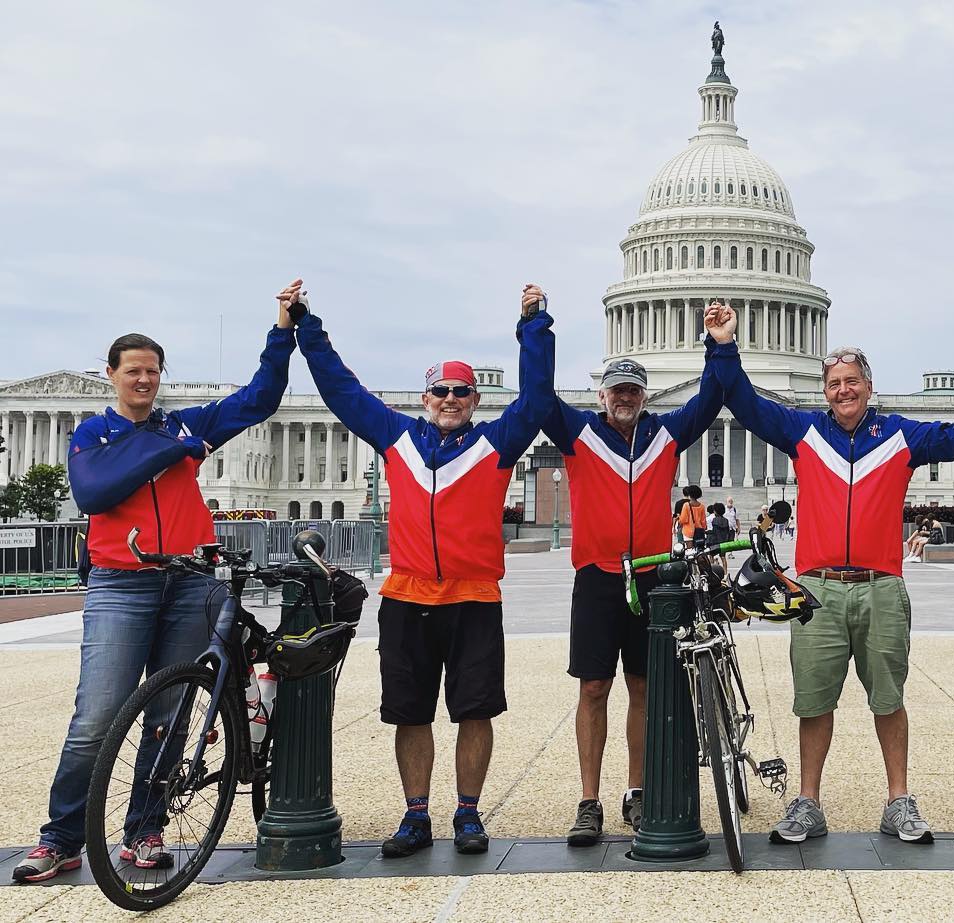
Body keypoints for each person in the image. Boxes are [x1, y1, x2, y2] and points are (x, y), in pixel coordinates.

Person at [706, 299, 954, 844]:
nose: (842, 391)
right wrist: (725, 346)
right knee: (813, 701)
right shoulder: (802, 432)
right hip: (818, 588)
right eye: (834, 384)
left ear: (868, 387)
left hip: (880, 587)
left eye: (852, 382)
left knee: (889, 700)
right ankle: (808, 802)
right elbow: (744, 402)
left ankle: (899, 801)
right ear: (824, 390)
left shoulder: (901, 436)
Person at [13, 280, 300, 883]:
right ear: (112, 375)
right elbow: (94, 492)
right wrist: (172, 450)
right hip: (123, 582)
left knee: (169, 714)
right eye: (133, 371)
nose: (143, 380)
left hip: (190, 581)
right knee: (96, 717)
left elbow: (260, 400)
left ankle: (145, 827)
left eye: (152, 371)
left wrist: (282, 333)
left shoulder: (182, 426)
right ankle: (62, 836)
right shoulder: (96, 435)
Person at [293, 283, 555, 859]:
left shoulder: (495, 445)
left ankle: (467, 812)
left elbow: (537, 399)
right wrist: (307, 329)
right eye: (442, 391)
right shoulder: (396, 439)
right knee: (409, 713)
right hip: (408, 596)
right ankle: (416, 815)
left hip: (473, 597)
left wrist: (533, 327)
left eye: (462, 391)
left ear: (475, 399)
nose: (451, 398)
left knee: (475, 710)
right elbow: (342, 391)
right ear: (426, 396)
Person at [541, 347, 725, 846]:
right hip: (598, 578)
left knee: (644, 687)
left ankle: (638, 789)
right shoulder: (580, 433)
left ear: (644, 397)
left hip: (651, 577)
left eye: (633, 390)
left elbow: (711, 399)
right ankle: (588, 800)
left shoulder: (663, 434)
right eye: (617, 389)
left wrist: (720, 347)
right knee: (593, 688)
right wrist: (536, 330)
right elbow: (538, 396)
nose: (624, 397)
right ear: (602, 395)